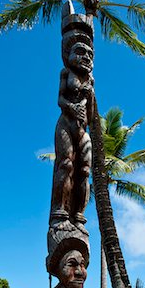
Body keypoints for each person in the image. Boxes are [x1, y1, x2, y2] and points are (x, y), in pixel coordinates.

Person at [50, 31, 94, 234]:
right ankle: (60, 214)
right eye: (81, 51)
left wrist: (89, 96)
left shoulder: (90, 80)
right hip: (66, 123)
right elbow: (60, 100)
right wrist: (71, 107)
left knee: (84, 171)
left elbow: (91, 114)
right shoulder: (65, 73)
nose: (86, 57)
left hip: (82, 129)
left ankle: (78, 217)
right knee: (66, 164)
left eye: (90, 54)